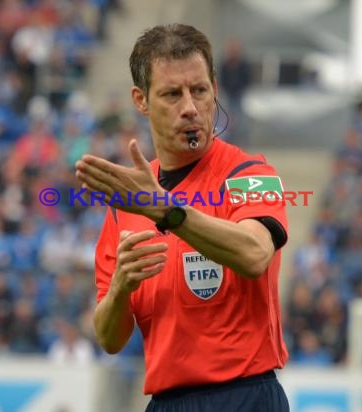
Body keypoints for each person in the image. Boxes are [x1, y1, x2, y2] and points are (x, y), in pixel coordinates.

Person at [75, 23, 290, 411]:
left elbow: (256, 254)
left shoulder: (252, 175)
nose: (190, 107)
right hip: (167, 403)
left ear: (215, 89)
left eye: (200, 90)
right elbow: (109, 339)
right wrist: (122, 286)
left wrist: (168, 212)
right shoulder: (129, 204)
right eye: (172, 94)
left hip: (245, 396)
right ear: (141, 100)